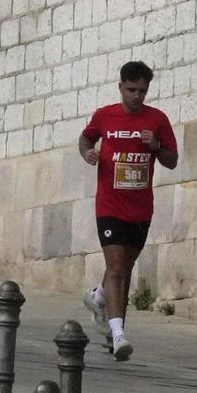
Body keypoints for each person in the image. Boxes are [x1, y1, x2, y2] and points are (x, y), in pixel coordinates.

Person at [79, 60, 179, 361]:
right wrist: (88, 153)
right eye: (132, 90)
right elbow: (86, 137)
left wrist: (156, 145)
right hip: (109, 204)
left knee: (124, 267)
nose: (137, 96)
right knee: (118, 269)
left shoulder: (157, 120)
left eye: (143, 91)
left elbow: (172, 160)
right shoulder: (105, 115)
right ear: (121, 86)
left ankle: (98, 296)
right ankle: (118, 335)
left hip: (140, 207)